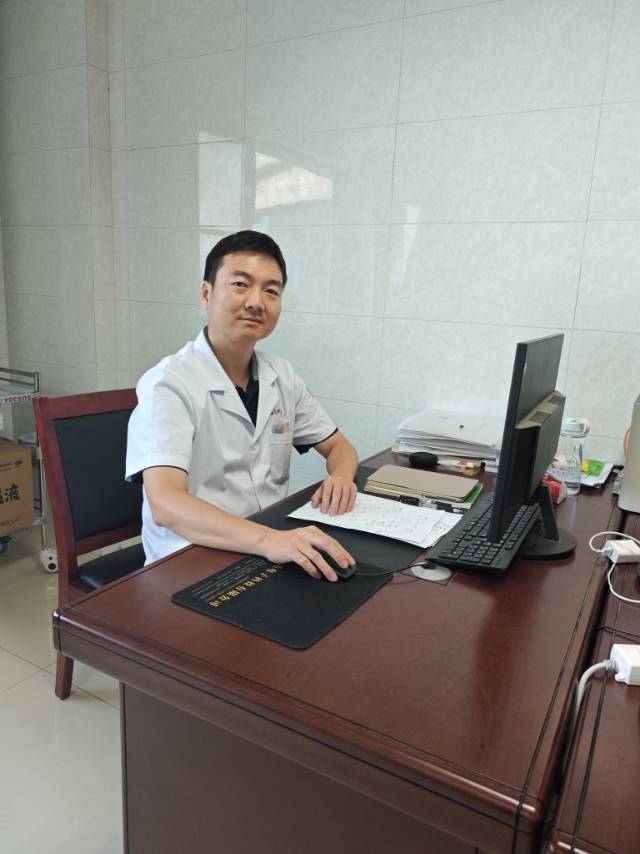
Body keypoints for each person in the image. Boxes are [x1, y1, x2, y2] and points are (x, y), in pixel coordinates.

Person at [126, 230, 358, 582]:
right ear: (207, 294)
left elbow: (339, 446)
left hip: (267, 549)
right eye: (240, 284)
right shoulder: (169, 384)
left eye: (271, 291)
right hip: (190, 562)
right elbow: (166, 505)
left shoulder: (281, 376)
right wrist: (269, 540)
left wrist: (341, 477)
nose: (256, 302)